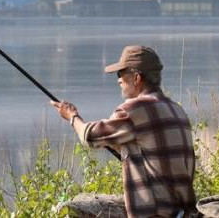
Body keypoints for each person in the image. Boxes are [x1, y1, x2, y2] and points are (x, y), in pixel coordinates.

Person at [51, 45, 196, 218]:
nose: (118, 80)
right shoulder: (176, 110)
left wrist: (72, 116)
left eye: (121, 74)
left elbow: (89, 136)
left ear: (137, 78)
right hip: (183, 213)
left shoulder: (134, 109)